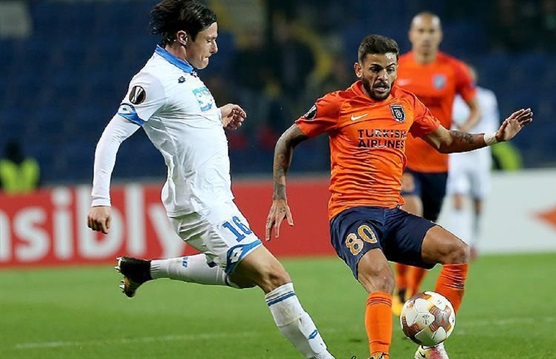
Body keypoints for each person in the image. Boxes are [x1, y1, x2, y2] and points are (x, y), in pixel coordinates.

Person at [86, 1, 333, 358]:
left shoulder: (184, 70)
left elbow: (179, 124)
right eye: (210, 39)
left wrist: (216, 116)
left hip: (215, 200)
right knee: (274, 277)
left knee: (244, 276)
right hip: (199, 205)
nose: (216, 47)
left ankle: (144, 269)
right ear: (183, 37)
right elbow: (112, 136)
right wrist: (99, 199)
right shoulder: (153, 79)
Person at [265, 34, 532, 359]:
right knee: (382, 278)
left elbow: (445, 141)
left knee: (457, 251)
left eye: (390, 69)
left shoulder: (405, 103)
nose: (383, 77)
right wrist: (280, 195)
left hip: (392, 215)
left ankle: (431, 347)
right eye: (375, 69)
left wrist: (494, 137)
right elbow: (286, 140)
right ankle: (379, 357)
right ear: (359, 69)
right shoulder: (337, 104)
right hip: (351, 215)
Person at [393, 11, 481, 317]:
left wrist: (463, 133)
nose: (427, 36)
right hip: (404, 160)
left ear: (439, 36)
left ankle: (409, 288)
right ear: (411, 34)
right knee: (411, 213)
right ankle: (401, 282)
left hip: (439, 163)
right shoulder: (398, 68)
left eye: (432, 31)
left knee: (427, 230)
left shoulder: (454, 69)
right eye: (421, 31)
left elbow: (474, 108)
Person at [447, 64, 500, 260]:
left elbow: (491, 124)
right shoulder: (449, 98)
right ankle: (461, 244)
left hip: (478, 153)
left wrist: (468, 135)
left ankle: (476, 242)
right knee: (458, 197)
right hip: (456, 153)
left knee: (478, 199)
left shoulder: (486, 98)